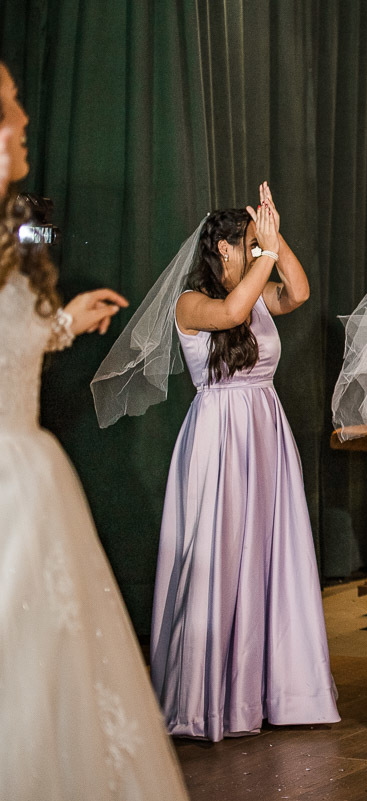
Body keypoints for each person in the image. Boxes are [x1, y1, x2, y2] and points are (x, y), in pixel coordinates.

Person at [0, 61, 189, 799]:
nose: (23, 123)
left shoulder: (21, 225)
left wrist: (64, 322)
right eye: (8, 108)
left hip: (32, 489)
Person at [93, 184, 340, 741]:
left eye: (260, 246)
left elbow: (297, 292)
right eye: (249, 246)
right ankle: (206, 701)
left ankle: (273, 691)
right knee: (218, 557)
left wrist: (276, 239)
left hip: (264, 434)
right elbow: (230, 312)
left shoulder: (260, 293)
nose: (259, 254)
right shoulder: (191, 302)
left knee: (268, 556)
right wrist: (266, 254)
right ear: (225, 250)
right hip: (219, 439)